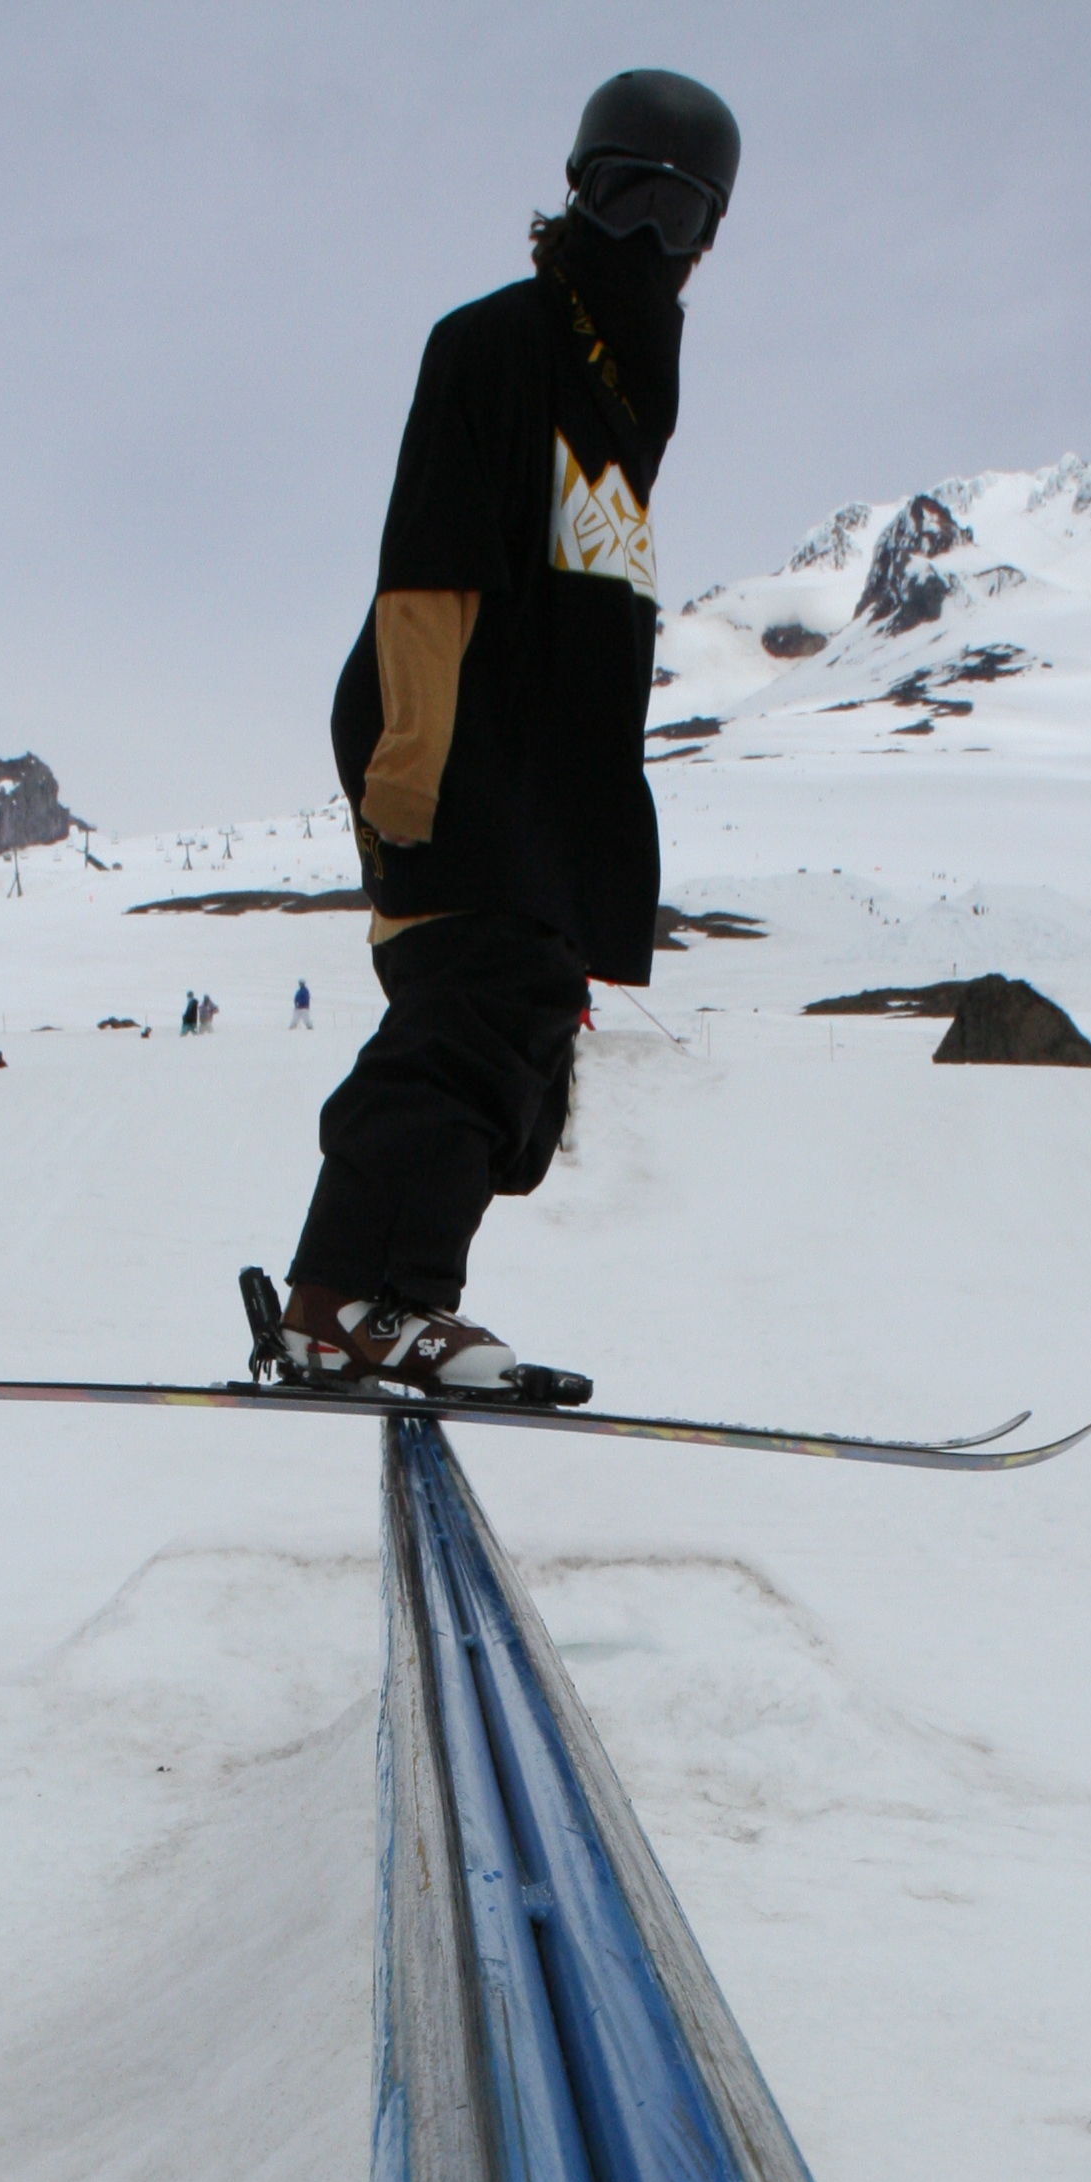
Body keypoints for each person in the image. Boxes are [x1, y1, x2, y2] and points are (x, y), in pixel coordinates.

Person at [277, 69, 738, 1392]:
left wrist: (593, 856)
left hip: (546, 784)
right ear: (577, 191)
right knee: (472, 1009)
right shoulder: (494, 344)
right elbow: (429, 570)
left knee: (521, 1050)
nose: (648, 238)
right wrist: (411, 769)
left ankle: (385, 1303)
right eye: (626, 197)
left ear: (709, 239)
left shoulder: (624, 413)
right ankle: (350, 1305)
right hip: (448, 732)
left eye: (681, 216)